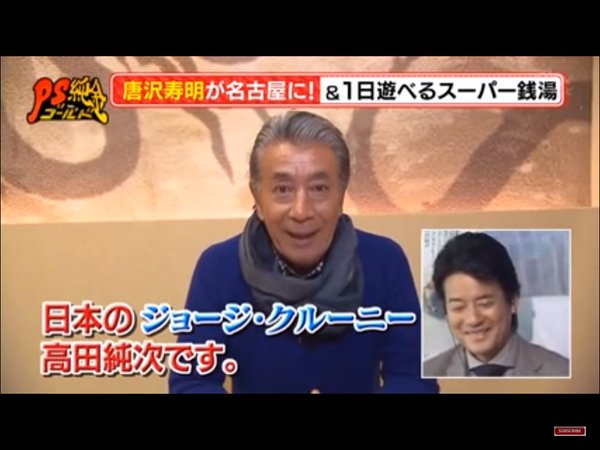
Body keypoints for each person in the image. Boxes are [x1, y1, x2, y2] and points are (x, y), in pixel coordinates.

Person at [169, 110, 439, 393]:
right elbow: (191, 383)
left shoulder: (384, 261)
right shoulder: (219, 267)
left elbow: (414, 379)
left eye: (319, 188)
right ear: (258, 199)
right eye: (283, 189)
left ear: (341, 195)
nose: (301, 211)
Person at [423, 232, 569, 377]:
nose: (473, 319)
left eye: (484, 304)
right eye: (458, 307)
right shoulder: (426, 374)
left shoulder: (561, 373)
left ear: (513, 301)